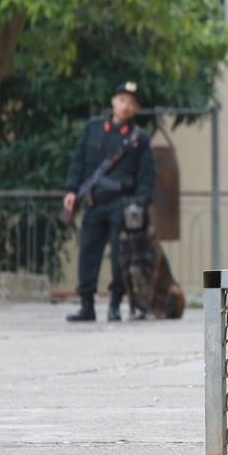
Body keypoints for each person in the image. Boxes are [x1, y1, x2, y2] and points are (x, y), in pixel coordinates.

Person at [63, 81, 156, 322]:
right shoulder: (93, 129)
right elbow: (78, 161)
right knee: (88, 252)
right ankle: (87, 305)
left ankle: (115, 304)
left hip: (122, 205)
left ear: (136, 108)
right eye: (122, 100)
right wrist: (72, 190)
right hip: (95, 201)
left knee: (119, 258)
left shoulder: (139, 138)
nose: (126, 106)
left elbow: (146, 177)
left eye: (132, 103)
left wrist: (141, 204)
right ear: (113, 101)